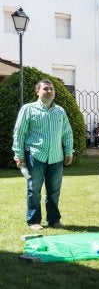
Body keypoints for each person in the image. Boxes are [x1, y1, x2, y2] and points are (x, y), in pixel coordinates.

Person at [12, 79, 74, 231]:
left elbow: (67, 132)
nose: (49, 91)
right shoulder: (28, 109)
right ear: (37, 92)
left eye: (51, 89)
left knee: (54, 192)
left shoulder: (60, 111)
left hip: (56, 157)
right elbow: (19, 133)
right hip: (35, 156)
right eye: (45, 89)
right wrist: (19, 154)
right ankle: (33, 221)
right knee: (34, 190)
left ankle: (54, 220)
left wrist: (68, 151)